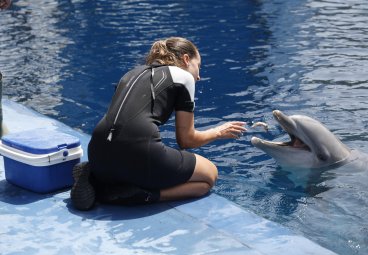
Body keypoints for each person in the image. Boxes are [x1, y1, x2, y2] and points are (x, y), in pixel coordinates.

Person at [71, 37, 246, 211]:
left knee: (126, 157)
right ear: (186, 59)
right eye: (198, 66)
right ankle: (143, 195)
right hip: (137, 152)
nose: (198, 76)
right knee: (209, 176)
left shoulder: (131, 73)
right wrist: (218, 131)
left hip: (97, 151)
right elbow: (186, 141)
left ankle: (95, 177)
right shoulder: (184, 77)